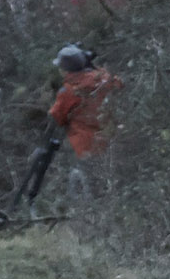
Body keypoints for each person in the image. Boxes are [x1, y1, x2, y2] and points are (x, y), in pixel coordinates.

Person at [35, 43, 116, 202]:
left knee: (87, 185)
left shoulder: (69, 91)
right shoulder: (105, 78)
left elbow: (56, 117)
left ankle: (89, 218)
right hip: (114, 140)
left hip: (87, 145)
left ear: (65, 70)